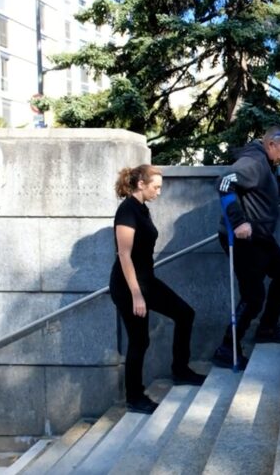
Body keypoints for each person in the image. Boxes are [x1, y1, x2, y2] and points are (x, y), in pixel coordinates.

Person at [110, 164, 206, 414]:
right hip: (128, 285)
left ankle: (181, 370)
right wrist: (136, 294)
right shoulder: (127, 211)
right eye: (156, 187)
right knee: (139, 341)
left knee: (185, 314)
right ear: (141, 184)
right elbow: (124, 254)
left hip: (146, 280)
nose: (159, 192)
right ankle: (134, 397)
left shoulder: (142, 209)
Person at [212, 127, 280, 369]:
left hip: (261, 238)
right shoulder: (253, 161)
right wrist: (238, 221)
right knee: (253, 297)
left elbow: (262, 188)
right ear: (271, 144)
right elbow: (224, 183)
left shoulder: (265, 162)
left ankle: (267, 328)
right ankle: (226, 348)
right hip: (244, 240)